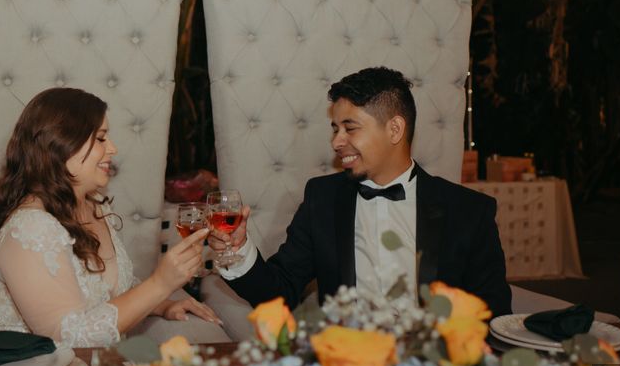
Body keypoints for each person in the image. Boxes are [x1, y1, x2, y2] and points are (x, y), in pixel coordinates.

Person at [208, 67, 512, 317]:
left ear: (394, 129)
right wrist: (238, 251)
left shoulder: (469, 211)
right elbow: (280, 290)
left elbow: (491, 312)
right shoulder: (322, 199)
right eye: (335, 128)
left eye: (350, 128)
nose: (337, 142)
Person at [0, 87, 219, 348]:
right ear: (61, 144)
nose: (113, 149)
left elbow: (105, 290)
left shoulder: (93, 207)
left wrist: (163, 305)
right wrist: (160, 284)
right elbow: (65, 338)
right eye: (101, 138)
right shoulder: (30, 227)